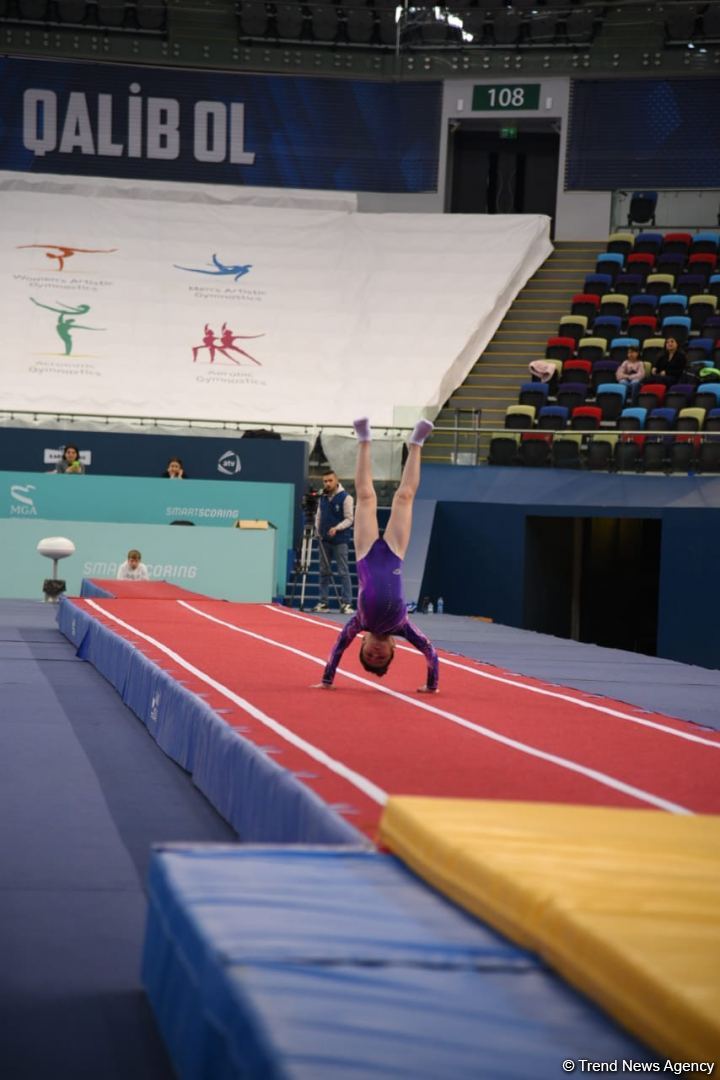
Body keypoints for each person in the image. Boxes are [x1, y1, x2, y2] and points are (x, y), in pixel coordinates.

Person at [317, 417, 439, 693]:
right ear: (394, 648)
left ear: (361, 643)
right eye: (380, 656)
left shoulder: (358, 622)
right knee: (405, 497)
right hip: (395, 553)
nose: (375, 652)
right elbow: (431, 653)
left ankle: (364, 439)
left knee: (366, 497)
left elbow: (337, 649)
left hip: (365, 553)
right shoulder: (404, 626)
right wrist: (431, 685)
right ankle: (417, 443)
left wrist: (327, 680)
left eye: (369, 655)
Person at [313, 467, 355, 614]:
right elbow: (318, 516)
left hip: (340, 540)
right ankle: (323, 602)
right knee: (324, 571)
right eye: (325, 481)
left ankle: (347, 603)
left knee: (343, 571)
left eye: (330, 480)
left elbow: (350, 519)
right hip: (324, 540)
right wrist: (318, 531)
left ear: (337, 480)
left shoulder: (346, 497)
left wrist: (337, 528)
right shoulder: (322, 498)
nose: (327, 484)